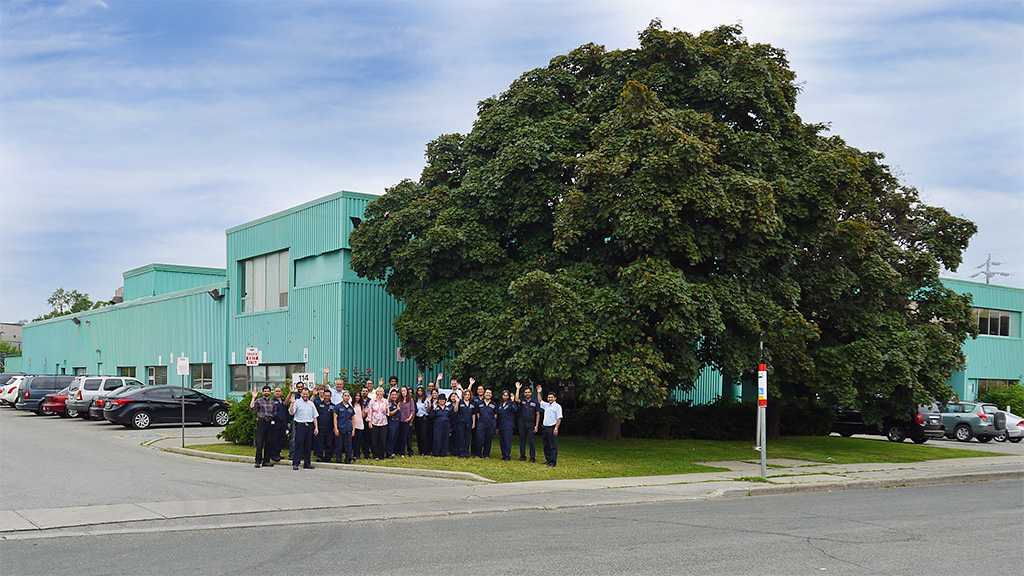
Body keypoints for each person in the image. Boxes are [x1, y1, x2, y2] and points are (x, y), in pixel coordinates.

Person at [289, 386, 319, 470]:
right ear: (301, 394)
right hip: (300, 425)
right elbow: (291, 413)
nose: (305, 395)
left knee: (308, 445)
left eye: (307, 394)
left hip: (309, 426)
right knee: (299, 445)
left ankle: (307, 463)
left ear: (308, 394)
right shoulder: (297, 402)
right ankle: (296, 463)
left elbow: (315, 417)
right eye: (304, 394)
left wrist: (316, 427)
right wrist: (292, 403)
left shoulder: (311, 404)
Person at [249, 385, 276, 468]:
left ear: (270, 392)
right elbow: (252, 408)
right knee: (260, 443)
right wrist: (253, 398)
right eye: (265, 391)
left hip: (269, 423)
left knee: (268, 443)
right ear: (263, 392)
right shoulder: (259, 401)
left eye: (268, 391)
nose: (266, 392)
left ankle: (266, 461)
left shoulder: (272, 402)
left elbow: (275, 413)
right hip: (261, 422)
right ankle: (258, 461)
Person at [536, 385, 563, 467]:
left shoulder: (557, 406)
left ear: (555, 398)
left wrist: (556, 428)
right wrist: (539, 392)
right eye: (549, 397)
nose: (550, 399)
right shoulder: (547, 405)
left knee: (553, 446)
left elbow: (559, 418)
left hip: (552, 428)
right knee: (546, 445)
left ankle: (553, 462)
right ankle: (548, 459)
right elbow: (540, 401)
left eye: (552, 397)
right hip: (545, 428)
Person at [514, 382, 540, 462]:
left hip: (531, 425)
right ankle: (522, 456)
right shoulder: (522, 401)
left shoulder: (535, 402)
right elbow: (516, 399)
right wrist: (518, 389)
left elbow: (538, 414)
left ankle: (532, 458)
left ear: (531, 393)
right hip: (522, 424)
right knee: (522, 441)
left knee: (531, 442)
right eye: (526, 392)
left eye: (528, 392)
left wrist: (536, 426)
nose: (527, 393)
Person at [332, 390, 356, 464]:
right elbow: (335, 418)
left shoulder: (350, 408)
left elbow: (353, 419)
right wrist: (336, 429)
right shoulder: (338, 407)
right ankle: (339, 459)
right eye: (345, 395)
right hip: (340, 429)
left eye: (348, 396)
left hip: (348, 429)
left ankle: (348, 459)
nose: (346, 397)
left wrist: (353, 430)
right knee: (339, 446)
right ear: (342, 397)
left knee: (348, 446)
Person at [366, 387, 388, 460]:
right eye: (378, 392)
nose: (379, 393)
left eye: (381, 392)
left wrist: (387, 408)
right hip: (374, 422)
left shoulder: (385, 401)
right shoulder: (372, 401)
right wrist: (370, 422)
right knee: (374, 440)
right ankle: (375, 455)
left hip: (383, 423)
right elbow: (370, 412)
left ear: (383, 393)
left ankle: (381, 455)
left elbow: (387, 413)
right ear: (376, 393)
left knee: (382, 440)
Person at [313, 388, 335, 462]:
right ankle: (319, 456)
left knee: (329, 443)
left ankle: (328, 457)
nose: (327, 397)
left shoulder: (333, 406)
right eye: (325, 395)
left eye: (328, 396)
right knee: (320, 443)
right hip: (321, 427)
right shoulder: (319, 404)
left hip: (330, 428)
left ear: (330, 396)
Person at [270, 386, 290, 463]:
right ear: (274, 393)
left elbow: (286, 411)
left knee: (281, 439)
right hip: (276, 422)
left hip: (283, 422)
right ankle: (273, 454)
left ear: (281, 392)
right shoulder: (272, 401)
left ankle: (278, 453)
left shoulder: (283, 401)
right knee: (275, 439)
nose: (278, 392)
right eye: (276, 391)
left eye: (279, 391)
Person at [475, 388, 497, 458]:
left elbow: (495, 415)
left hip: (491, 424)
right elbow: (477, 414)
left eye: (489, 393)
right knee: (479, 439)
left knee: (488, 439)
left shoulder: (494, 404)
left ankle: (486, 454)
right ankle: (478, 454)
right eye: (487, 393)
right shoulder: (479, 403)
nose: (488, 394)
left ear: (491, 395)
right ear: (484, 394)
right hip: (481, 424)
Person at [496, 390, 517, 461]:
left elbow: (515, 409)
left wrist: (512, 400)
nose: (505, 397)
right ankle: (504, 455)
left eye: (506, 395)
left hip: (508, 425)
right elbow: (499, 416)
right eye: (504, 395)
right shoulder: (500, 405)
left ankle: (507, 456)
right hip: (501, 425)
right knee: (502, 441)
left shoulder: (510, 403)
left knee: (507, 441)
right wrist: (497, 427)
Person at [452, 389, 474, 458]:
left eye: (468, 395)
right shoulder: (460, 402)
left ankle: (466, 453)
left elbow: (473, 414)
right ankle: (461, 453)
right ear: (463, 395)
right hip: (461, 423)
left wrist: (473, 423)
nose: (467, 396)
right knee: (461, 438)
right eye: (466, 395)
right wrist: (457, 402)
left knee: (467, 439)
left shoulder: (472, 404)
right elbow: (455, 410)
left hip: (469, 423)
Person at [430, 393, 452, 457]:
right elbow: (431, 416)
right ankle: (435, 453)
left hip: (446, 424)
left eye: (443, 400)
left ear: (445, 400)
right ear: (438, 400)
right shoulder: (435, 407)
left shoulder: (448, 408)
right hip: (438, 424)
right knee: (437, 439)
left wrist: (451, 427)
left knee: (445, 439)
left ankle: (443, 453)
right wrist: (434, 409)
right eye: (440, 399)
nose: (441, 401)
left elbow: (451, 417)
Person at [414, 381, 432, 456]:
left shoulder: (426, 399)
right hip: (417, 418)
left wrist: (428, 403)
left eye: (421, 391)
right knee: (419, 435)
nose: (420, 392)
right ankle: (420, 451)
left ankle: (425, 451)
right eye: (418, 391)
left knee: (424, 435)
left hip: (424, 418)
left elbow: (428, 410)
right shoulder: (416, 400)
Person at [398, 386, 415, 457]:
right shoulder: (399, 400)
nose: (403, 392)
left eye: (404, 391)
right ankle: (400, 451)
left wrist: (409, 419)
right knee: (400, 437)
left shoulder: (410, 400)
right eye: (402, 391)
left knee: (406, 437)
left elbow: (412, 411)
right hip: (399, 420)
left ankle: (405, 452)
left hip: (406, 420)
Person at [469, 378, 485, 457]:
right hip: (475, 420)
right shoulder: (474, 399)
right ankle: (473, 451)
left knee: (482, 437)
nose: (480, 391)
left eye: (481, 389)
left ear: (484, 391)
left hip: (483, 421)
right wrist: (471, 384)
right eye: (479, 389)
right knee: (474, 436)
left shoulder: (486, 399)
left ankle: (482, 451)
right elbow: (467, 393)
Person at [385, 389, 400, 458]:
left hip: (397, 422)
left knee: (395, 438)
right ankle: (388, 453)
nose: (394, 396)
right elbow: (389, 414)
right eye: (392, 395)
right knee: (390, 438)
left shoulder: (397, 403)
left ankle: (392, 452)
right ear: (390, 396)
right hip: (391, 422)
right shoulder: (389, 404)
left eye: (395, 395)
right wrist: (397, 409)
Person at [351, 390, 365, 462]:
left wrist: (365, 411)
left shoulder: (361, 405)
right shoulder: (351, 404)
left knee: (358, 442)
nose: (357, 397)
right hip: (353, 425)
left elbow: (363, 415)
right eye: (356, 395)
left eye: (359, 396)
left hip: (360, 425)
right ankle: (350, 455)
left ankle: (357, 455)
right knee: (352, 441)